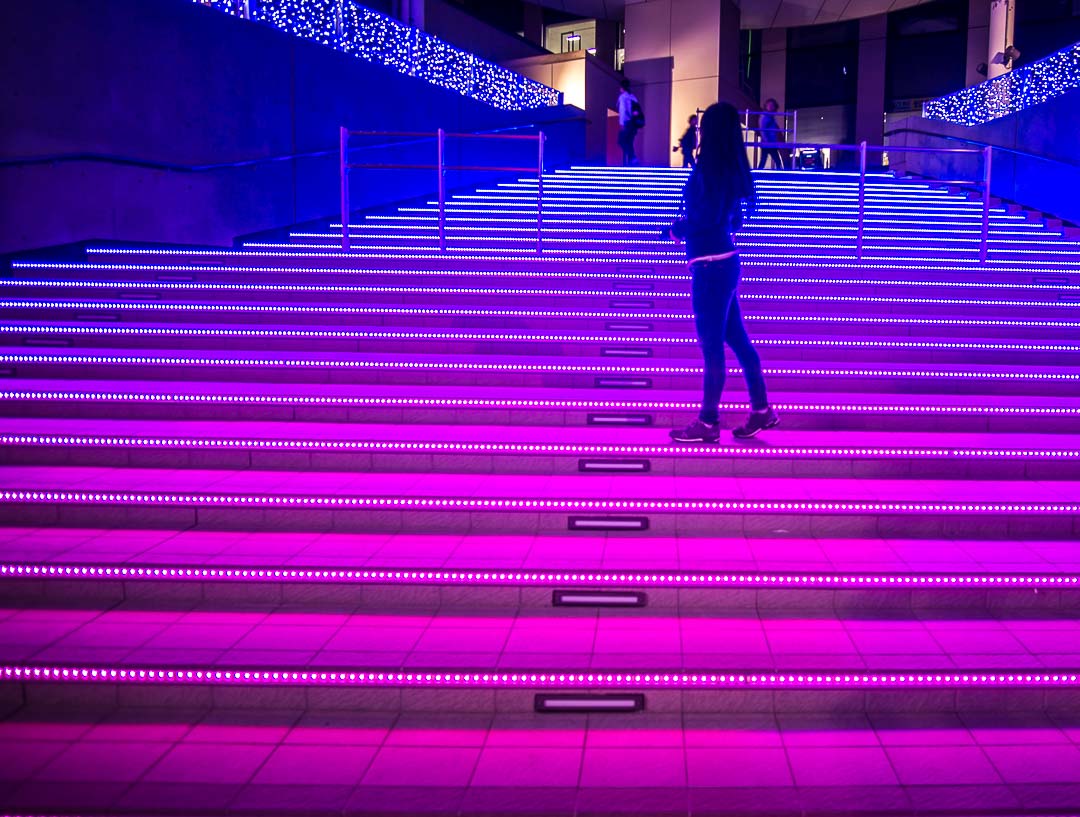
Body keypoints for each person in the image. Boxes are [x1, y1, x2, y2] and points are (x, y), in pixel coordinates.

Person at [668, 102, 778, 442]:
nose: (699, 130)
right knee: (739, 342)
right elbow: (731, 218)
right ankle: (761, 410)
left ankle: (708, 421)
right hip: (725, 262)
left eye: (703, 126)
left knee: (713, 346)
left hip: (711, 267)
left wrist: (678, 229)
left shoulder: (710, 168)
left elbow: (708, 217)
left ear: (710, 131)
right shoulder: (731, 168)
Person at [617, 79, 641, 166]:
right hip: (634, 124)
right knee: (629, 142)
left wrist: (622, 123)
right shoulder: (633, 97)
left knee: (621, 141)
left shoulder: (623, 97)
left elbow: (623, 111)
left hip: (627, 123)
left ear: (622, 88)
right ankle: (632, 160)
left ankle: (632, 158)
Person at [757, 98, 785, 170]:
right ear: (766, 106)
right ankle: (757, 174)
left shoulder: (770, 117)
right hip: (768, 142)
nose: (771, 107)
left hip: (771, 142)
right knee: (775, 160)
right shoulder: (765, 117)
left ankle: (757, 174)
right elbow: (763, 129)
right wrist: (766, 140)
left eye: (772, 106)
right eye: (769, 105)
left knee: (765, 160)